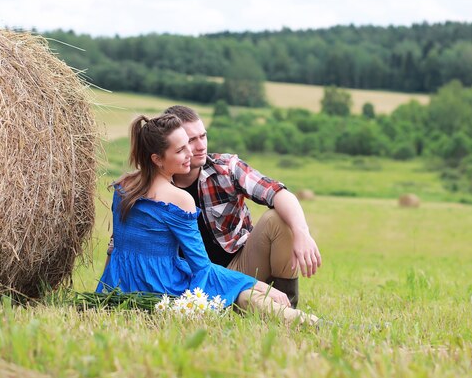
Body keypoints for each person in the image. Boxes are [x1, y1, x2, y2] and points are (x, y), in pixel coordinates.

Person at [97, 114, 318, 325]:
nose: (193, 151)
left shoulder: (124, 186)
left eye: (200, 138)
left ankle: (290, 309)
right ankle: (308, 322)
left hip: (124, 284)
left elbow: (118, 246)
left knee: (247, 287)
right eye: (183, 147)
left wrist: (106, 290)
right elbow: (201, 268)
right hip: (168, 284)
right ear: (157, 158)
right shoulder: (179, 198)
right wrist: (256, 284)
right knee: (247, 296)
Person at [165, 105, 321, 308]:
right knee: (247, 303)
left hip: (241, 267)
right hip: (192, 280)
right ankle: (250, 303)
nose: (201, 145)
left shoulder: (226, 168)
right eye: (191, 140)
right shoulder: (157, 185)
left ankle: (286, 304)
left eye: (203, 136)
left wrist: (302, 233)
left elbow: (278, 192)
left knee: (278, 218)